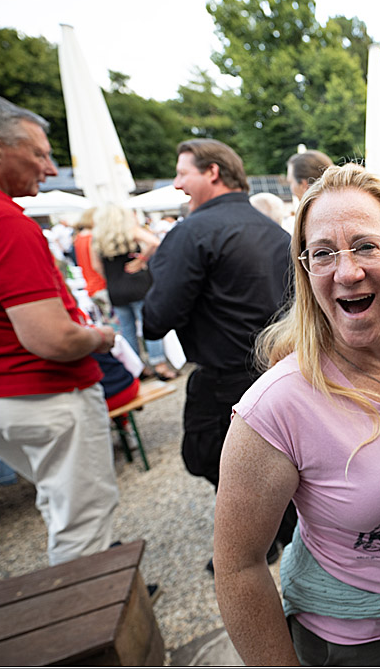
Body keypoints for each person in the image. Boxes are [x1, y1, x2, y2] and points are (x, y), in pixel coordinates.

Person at [213, 164, 380, 666]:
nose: (347, 271)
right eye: (323, 254)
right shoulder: (275, 407)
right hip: (356, 642)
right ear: (306, 270)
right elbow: (237, 567)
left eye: (365, 245)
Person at [0, 92, 119, 565]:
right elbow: (52, 338)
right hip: (40, 394)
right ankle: (89, 623)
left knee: (60, 502)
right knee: (84, 522)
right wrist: (100, 338)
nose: (51, 167)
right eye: (38, 153)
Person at [143, 138, 295, 572]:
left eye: (182, 173)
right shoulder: (273, 230)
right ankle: (278, 531)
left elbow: (157, 317)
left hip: (228, 375)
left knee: (208, 454)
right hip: (281, 370)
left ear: (212, 172)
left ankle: (258, 537)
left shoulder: (192, 232)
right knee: (278, 455)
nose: (176, 184)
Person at [91, 204, 178, 382]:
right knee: (149, 324)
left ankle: (138, 367)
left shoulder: (97, 238)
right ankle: (159, 364)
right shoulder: (130, 231)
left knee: (127, 329)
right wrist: (141, 260)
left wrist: (113, 278)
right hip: (137, 285)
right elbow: (156, 242)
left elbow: (96, 266)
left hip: (116, 289)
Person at [73, 207, 112, 322]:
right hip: (101, 284)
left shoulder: (79, 237)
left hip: (90, 285)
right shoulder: (93, 237)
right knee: (115, 324)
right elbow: (96, 265)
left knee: (106, 322)